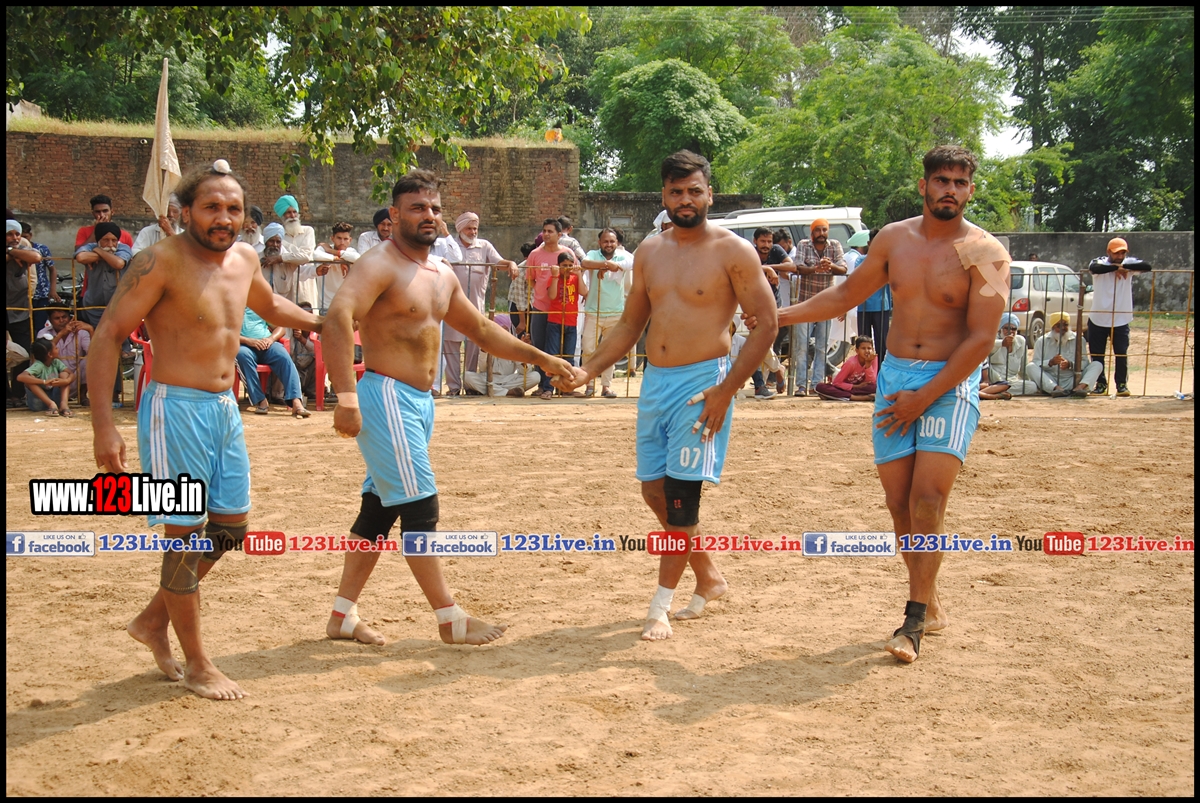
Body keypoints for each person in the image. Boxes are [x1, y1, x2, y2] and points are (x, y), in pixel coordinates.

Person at [89, 160, 321, 700]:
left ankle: (153, 621)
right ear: (185, 211)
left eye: (233, 208)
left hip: (224, 409)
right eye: (212, 207)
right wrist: (103, 426)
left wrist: (324, 321)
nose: (224, 218)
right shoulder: (159, 262)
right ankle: (196, 663)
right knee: (184, 534)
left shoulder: (244, 258)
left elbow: (270, 304)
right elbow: (109, 335)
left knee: (231, 527)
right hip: (175, 410)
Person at [320, 168, 574, 647]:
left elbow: (482, 330)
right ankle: (449, 617)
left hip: (419, 402)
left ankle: (341, 616)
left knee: (378, 510)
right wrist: (346, 398)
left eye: (435, 208)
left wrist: (543, 358)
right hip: (386, 395)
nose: (429, 216)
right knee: (421, 506)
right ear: (394, 214)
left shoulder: (440, 272)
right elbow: (338, 318)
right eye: (417, 207)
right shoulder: (379, 264)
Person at [776, 145, 1010, 663]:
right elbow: (844, 298)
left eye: (960, 183)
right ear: (924, 186)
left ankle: (913, 621)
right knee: (899, 505)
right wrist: (780, 317)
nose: (950, 190)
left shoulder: (986, 252)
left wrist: (926, 396)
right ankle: (932, 599)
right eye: (942, 180)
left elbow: (980, 338)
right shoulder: (893, 239)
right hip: (895, 376)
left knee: (928, 501)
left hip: (949, 382)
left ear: (971, 190)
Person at [558, 150, 778, 641]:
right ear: (664, 196)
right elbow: (630, 324)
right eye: (676, 192)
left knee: (680, 499)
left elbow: (767, 325)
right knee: (653, 491)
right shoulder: (650, 251)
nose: (685, 200)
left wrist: (726, 391)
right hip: (655, 383)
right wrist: (588, 369)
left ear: (709, 195)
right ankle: (709, 576)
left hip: (703, 385)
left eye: (694, 191)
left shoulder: (734, 251)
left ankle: (660, 606)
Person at [441, 212, 517, 396]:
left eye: (475, 228)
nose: (473, 232)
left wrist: (511, 263)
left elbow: (498, 263)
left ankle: (469, 386)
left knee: (473, 347)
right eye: (469, 228)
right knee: (450, 347)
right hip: (451, 306)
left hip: (475, 307)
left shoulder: (484, 246)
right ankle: (453, 387)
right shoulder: (448, 245)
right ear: (460, 229)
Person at [1086, 237, 1151, 396]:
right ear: (1108, 252)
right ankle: (1100, 384)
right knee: (1097, 354)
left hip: (1121, 319)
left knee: (1121, 352)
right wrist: (1116, 268)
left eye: (1122, 253)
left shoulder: (1128, 263)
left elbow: (1147, 266)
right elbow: (1094, 268)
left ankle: (1121, 384)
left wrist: (1123, 267)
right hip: (1098, 317)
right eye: (1116, 253)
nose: (1120, 256)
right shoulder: (1100, 262)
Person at [792, 218, 847, 395]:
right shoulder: (803, 245)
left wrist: (830, 266)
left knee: (822, 346)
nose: (821, 234)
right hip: (805, 303)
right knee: (801, 346)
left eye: (824, 230)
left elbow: (843, 268)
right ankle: (801, 385)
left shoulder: (835, 245)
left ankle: (816, 384)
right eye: (818, 230)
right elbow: (798, 267)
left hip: (826, 304)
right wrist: (816, 268)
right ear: (812, 232)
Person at [580, 228, 633, 397]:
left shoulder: (623, 256)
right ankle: (589, 384)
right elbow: (584, 263)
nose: (609, 244)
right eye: (605, 241)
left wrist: (615, 265)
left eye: (612, 241)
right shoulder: (593, 254)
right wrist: (605, 265)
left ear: (617, 243)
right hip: (593, 311)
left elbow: (634, 263)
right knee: (588, 349)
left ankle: (606, 386)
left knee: (609, 351)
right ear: (599, 243)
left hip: (616, 311)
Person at [526, 218, 574, 399]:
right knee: (540, 348)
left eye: (550, 231)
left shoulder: (567, 253)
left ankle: (563, 385)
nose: (546, 234)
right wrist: (541, 293)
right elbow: (530, 279)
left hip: (562, 310)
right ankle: (542, 385)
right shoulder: (534, 254)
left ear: (559, 234)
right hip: (540, 308)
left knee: (562, 348)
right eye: (544, 231)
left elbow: (574, 275)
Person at [235, 306, 311, 417]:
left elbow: (281, 328)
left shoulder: (260, 307)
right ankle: (260, 400)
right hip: (244, 346)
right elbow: (225, 334)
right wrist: (249, 341)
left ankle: (296, 401)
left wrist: (271, 339)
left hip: (266, 344)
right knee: (242, 356)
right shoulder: (231, 308)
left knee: (283, 356)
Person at [1027, 312, 1104, 397]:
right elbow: (1036, 363)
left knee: (1097, 364)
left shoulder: (1078, 340)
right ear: (1053, 327)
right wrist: (1050, 362)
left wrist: (1070, 364)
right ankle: (1056, 389)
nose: (1063, 328)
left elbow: (1085, 363)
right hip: (1051, 380)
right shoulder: (1042, 341)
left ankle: (1079, 389)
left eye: (1065, 325)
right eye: (1058, 325)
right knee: (1030, 367)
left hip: (1073, 380)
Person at [261, 194, 318, 307]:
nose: (292, 216)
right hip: (284, 285)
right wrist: (293, 257)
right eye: (288, 213)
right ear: (282, 215)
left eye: (294, 212)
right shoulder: (277, 236)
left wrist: (280, 258)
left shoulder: (308, 231)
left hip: (305, 284)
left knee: (307, 314)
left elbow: (306, 256)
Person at [545, 251, 587, 395]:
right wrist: (555, 276)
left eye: (570, 265)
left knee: (569, 356)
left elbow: (584, 292)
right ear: (558, 265)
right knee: (553, 355)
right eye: (564, 265)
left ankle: (567, 388)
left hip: (571, 321)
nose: (567, 268)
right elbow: (552, 296)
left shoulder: (575, 278)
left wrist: (579, 274)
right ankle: (548, 388)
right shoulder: (554, 278)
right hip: (555, 321)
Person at [75, 222, 133, 328]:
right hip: (94, 306)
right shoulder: (90, 246)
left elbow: (119, 263)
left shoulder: (123, 248)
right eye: (106, 240)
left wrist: (99, 252)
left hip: (119, 306)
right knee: (97, 334)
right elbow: (81, 257)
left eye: (114, 240)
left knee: (119, 336)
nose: (110, 245)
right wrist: (109, 256)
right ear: (98, 241)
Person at [7, 219, 40, 401]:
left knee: (24, 352)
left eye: (17, 234)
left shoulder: (23, 245)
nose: (14, 237)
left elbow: (35, 257)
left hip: (20, 307)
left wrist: (11, 251)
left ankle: (18, 394)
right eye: (9, 234)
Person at [37, 307, 91, 403]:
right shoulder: (44, 333)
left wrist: (91, 330)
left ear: (70, 317)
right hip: (54, 380)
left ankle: (82, 395)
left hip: (76, 377)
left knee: (89, 360)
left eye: (64, 317)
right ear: (50, 320)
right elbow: (43, 354)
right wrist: (61, 334)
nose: (61, 321)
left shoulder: (81, 332)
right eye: (57, 318)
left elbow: (93, 353)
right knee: (61, 372)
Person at [855, 229, 891, 366]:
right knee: (863, 343)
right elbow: (861, 277)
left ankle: (880, 371)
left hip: (882, 306)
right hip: (863, 306)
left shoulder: (889, 260)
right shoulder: (860, 260)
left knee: (882, 343)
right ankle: (864, 371)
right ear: (869, 243)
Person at [981, 313, 1036, 398]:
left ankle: (993, 391)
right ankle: (992, 390)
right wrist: (1002, 343)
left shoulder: (1020, 341)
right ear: (1000, 329)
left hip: (1012, 381)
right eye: (1007, 328)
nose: (1010, 331)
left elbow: (1023, 367)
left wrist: (1026, 381)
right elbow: (986, 346)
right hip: (994, 379)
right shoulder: (993, 339)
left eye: (1014, 329)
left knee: (1032, 386)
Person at [312, 221, 361, 314]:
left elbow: (357, 258)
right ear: (332, 238)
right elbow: (316, 255)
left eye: (345, 239)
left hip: (346, 306)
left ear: (350, 240)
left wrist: (332, 251)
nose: (342, 242)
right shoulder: (323, 249)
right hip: (326, 306)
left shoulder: (351, 251)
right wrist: (338, 260)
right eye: (339, 238)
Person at [21, 221, 61, 333]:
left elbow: (52, 269)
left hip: (41, 293)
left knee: (40, 326)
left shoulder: (41, 249)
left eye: (25, 237)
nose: (23, 241)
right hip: (23, 295)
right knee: (25, 327)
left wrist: (52, 289)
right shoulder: (15, 252)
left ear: (30, 235)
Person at [18, 338, 75, 416]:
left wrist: (66, 381)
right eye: (56, 348)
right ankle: (51, 404)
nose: (58, 349)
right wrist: (44, 381)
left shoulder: (56, 362)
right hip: (38, 402)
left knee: (64, 374)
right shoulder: (39, 365)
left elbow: (71, 374)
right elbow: (20, 377)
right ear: (49, 354)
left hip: (55, 398)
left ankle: (64, 405)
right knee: (29, 380)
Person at [815, 336, 878, 401]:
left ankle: (834, 396)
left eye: (869, 348)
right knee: (820, 387)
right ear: (857, 350)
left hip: (861, 389)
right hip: (846, 388)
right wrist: (856, 386)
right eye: (863, 348)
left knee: (875, 387)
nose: (867, 351)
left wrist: (868, 365)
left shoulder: (873, 359)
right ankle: (857, 398)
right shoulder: (851, 363)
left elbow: (872, 381)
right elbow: (837, 383)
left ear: (873, 350)